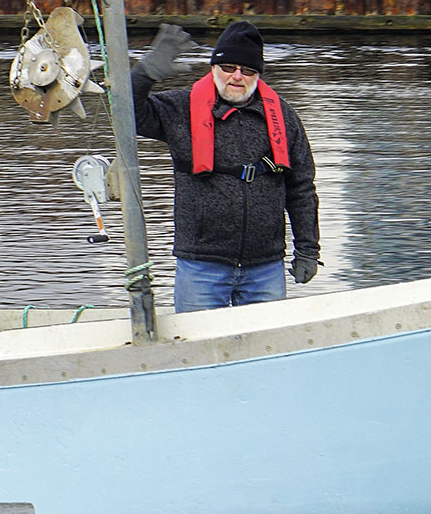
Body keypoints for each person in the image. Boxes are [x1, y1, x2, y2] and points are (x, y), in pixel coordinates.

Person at [129, 19, 320, 312]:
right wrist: (145, 73)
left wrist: (307, 249)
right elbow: (126, 113)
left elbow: (302, 189)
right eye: (228, 68)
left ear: (258, 75)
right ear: (214, 69)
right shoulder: (181, 109)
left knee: (267, 350)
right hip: (201, 266)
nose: (237, 77)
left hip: (266, 267)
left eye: (248, 71)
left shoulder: (284, 116)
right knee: (197, 348)